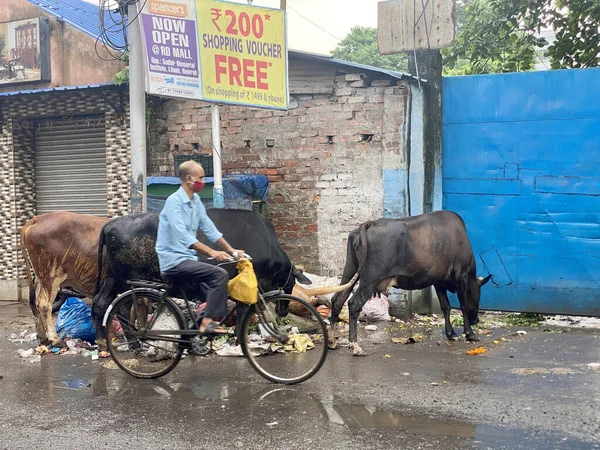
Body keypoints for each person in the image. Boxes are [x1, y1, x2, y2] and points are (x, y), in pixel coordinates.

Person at [155, 160, 244, 335]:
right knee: (219, 275)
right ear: (189, 179)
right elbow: (183, 237)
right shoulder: (174, 202)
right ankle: (206, 323)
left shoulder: (195, 201)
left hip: (188, 258)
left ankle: (196, 333)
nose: (203, 182)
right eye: (201, 178)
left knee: (215, 283)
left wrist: (231, 251)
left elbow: (210, 229)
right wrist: (212, 252)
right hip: (173, 261)